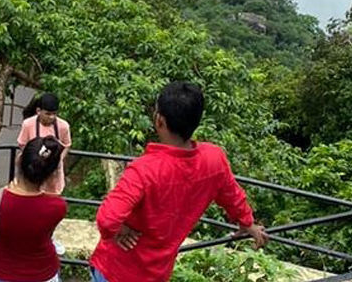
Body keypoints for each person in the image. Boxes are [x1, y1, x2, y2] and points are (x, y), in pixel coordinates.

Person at [89, 82, 268, 282]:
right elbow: (231, 195)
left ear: (159, 120)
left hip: (116, 270)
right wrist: (248, 223)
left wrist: (121, 230)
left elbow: (107, 220)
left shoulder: (143, 170)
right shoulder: (213, 159)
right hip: (157, 272)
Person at [0, 136, 68, 282]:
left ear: (18, 160)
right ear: (52, 173)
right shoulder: (57, 207)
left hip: (3, 272)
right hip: (44, 273)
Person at [17, 93, 71, 195]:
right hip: (32, 170)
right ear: (38, 111)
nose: (51, 117)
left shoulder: (63, 126)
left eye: (54, 114)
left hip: (53, 170)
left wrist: (57, 161)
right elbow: (22, 144)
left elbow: (67, 145)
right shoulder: (28, 124)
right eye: (48, 114)